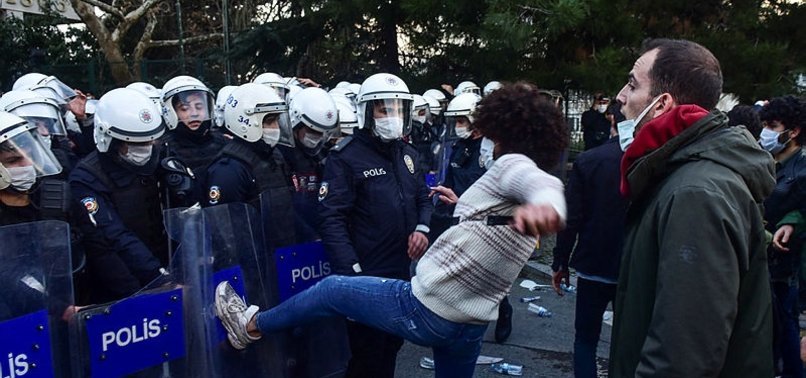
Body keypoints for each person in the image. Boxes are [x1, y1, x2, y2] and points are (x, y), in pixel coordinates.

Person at [213, 82, 568, 378]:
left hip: (431, 309)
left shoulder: (513, 165)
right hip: (472, 320)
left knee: (333, 290)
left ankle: (250, 325)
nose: (482, 139)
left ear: (505, 133)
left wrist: (548, 207)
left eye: (487, 133)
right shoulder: (514, 189)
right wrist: (467, 205)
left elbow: (544, 187)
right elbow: (499, 221)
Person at [609, 38, 775, 377]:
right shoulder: (680, 173)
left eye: (632, 84)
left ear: (661, 104)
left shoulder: (696, 193)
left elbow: (683, 356)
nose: (621, 97)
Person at [316, 73, 432, 378]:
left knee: (391, 346)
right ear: (367, 112)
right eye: (384, 109)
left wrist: (422, 228)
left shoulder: (408, 154)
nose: (392, 116)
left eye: (398, 109)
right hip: (365, 274)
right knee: (366, 353)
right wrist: (350, 272)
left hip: (400, 272)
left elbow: (423, 198)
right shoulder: (346, 157)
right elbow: (331, 218)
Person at [69, 88, 182, 303]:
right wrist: (158, 281)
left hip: (167, 266)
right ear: (107, 138)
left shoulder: (160, 158)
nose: (146, 149)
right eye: (136, 143)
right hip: (124, 284)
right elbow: (114, 237)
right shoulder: (87, 178)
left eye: (150, 141)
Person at [552, 110, 628, 378]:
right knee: (627, 341)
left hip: (594, 260)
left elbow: (571, 219)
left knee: (585, 339)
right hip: (632, 265)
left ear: (612, 120)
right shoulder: (650, 160)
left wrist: (560, 262)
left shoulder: (590, 159)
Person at [757, 95, 806, 378]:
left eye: (772, 126)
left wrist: (791, 223)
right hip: (764, 260)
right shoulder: (768, 162)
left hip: (786, 265)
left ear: (794, 131)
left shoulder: (801, 170)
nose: (766, 132)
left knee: (785, 326)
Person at [160, 75, 228, 199]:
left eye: (199, 107)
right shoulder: (163, 150)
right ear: (170, 112)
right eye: (184, 108)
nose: (194, 113)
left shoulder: (224, 142)